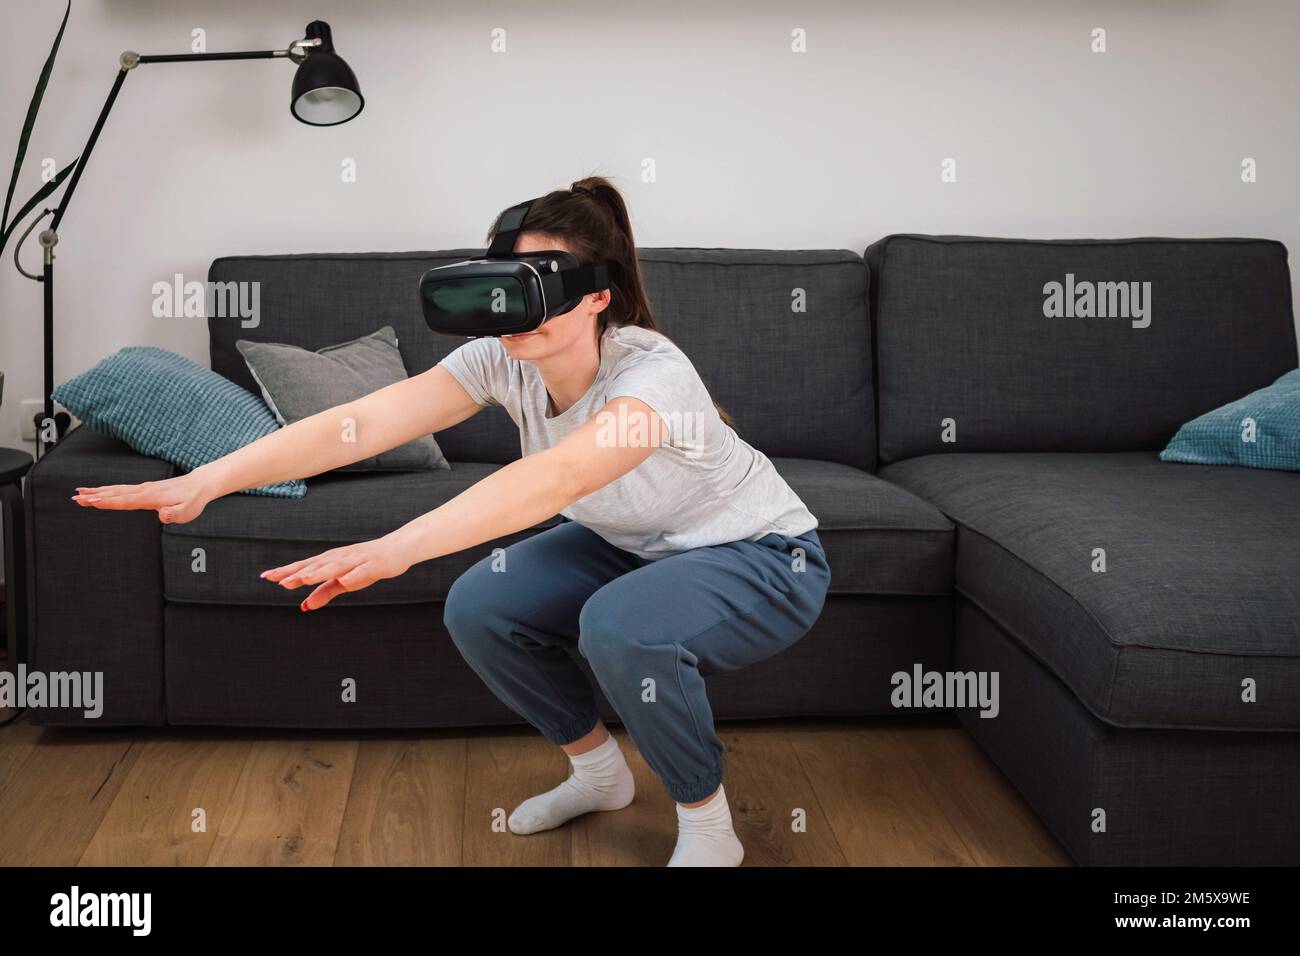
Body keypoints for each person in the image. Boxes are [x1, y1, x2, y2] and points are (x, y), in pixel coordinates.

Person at [73, 176, 831, 867]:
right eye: (507, 287)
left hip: (760, 557)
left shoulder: (650, 375)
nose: (515, 312)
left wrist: (398, 547)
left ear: (599, 295)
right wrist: (207, 482)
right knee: (482, 603)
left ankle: (707, 823)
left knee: (620, 625)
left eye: (543, 288)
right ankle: (599, 774)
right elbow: (361, 422)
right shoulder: (501, 358)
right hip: (631, 545)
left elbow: (557, 477)